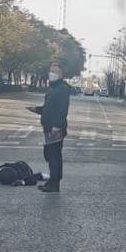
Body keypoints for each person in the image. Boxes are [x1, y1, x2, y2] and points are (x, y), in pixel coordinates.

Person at [39, 63, 70, 193]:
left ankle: (54, 182)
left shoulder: (61, 89)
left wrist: (57, 126)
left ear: (61, 75)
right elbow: (50, 108)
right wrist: (39, 110)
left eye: (55, 72)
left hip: (55, 128)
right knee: (49, 154)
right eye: (50, 71)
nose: (51, 73)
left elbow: (62, 110)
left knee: (54, 155)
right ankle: (52, 180)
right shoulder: (53, 88)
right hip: (49, 126)